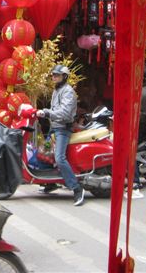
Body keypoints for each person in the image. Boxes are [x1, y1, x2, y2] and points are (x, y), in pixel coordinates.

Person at [36, 64, 86, 206]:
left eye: (56, 75)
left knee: (59, 158)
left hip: (63, 129)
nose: (54, 77)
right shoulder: (57, 90)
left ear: (64, 76)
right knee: (42, 155)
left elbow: (64, 113)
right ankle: (51, 183)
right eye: (53, 75)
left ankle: (77, 188)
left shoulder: (68, 92)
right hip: (54, 128)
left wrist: (46, 112)